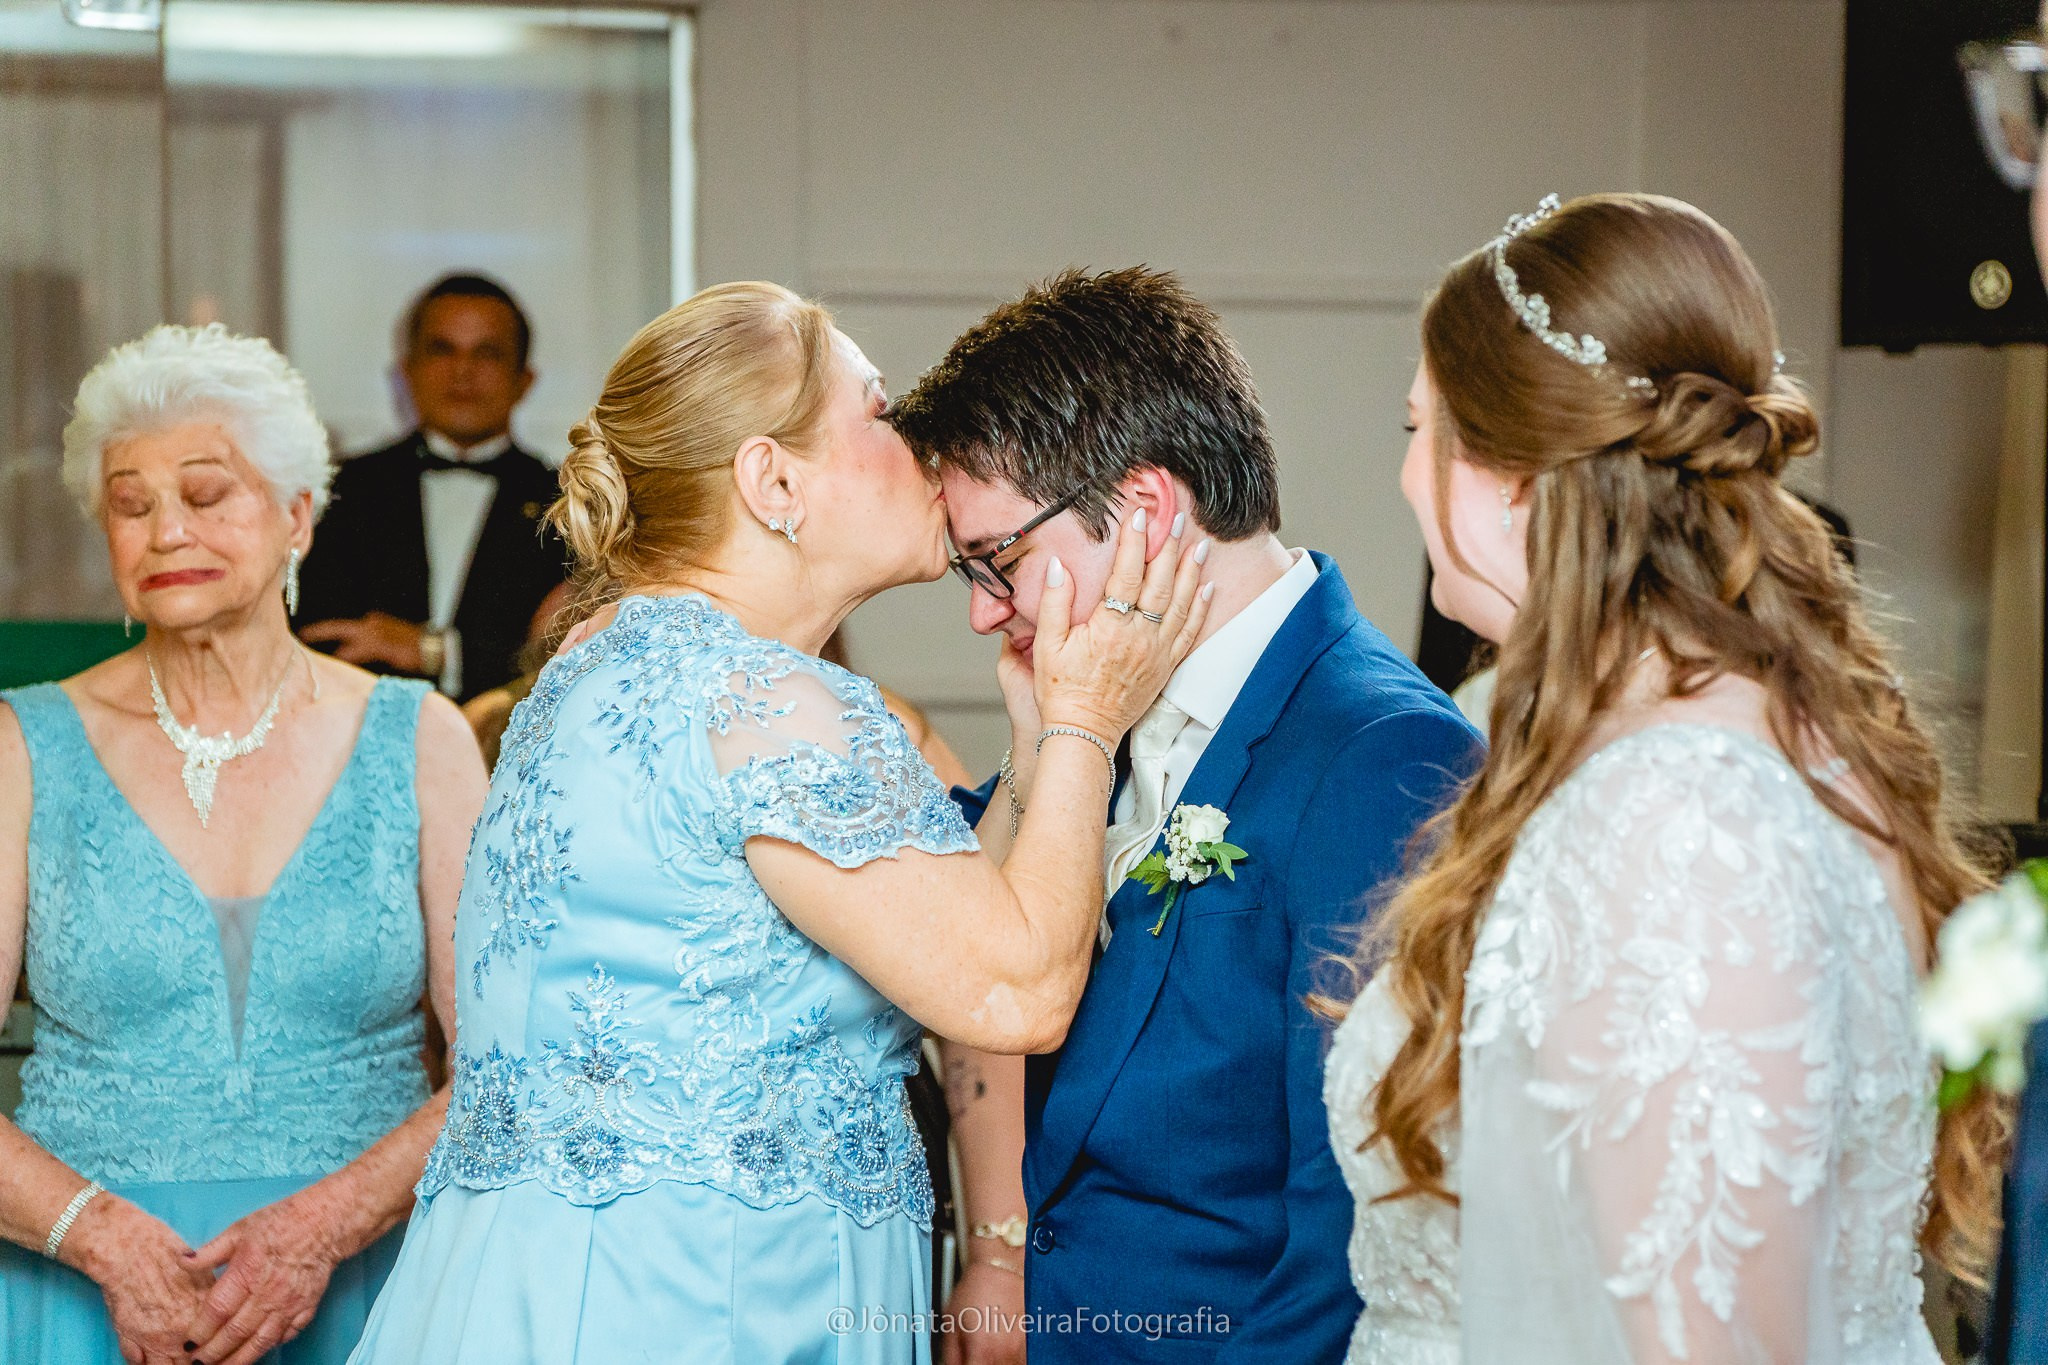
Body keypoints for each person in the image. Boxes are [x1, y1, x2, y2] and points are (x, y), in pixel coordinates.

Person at [346, 281, 1208, 1364]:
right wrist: (1090, 718)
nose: (919, 442)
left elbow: (942, 924)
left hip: (540, 1286)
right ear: (773, 480)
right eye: (880, 413)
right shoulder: (764, 703)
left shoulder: (601, 660)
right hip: (713, 1301)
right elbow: (1017, 990)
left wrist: (1037, 742)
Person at [1324, 192, 2002, 1364]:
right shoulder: (1746, 739)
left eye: (1414, 427)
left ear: (1512, 478)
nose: (1400, 478)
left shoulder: (1676, 816)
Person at [887, 266, 1482, 1364]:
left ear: (1147, 511)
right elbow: (962, 946)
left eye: (998, 562)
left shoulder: (1382, 754)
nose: (981, 612)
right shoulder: (1090, 710)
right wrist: (1043, 743)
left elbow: (1352, 1231)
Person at [0, 323, 487, 1365]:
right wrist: (104, 1241)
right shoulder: (21, 746)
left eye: (206, 493)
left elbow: (507, 1062)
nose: (166, 531)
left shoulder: (421, 739)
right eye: (131, 505)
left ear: (297, 516)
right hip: (83, 1296)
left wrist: (327, 1227)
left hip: (368, 1288)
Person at [297, 273, 566, 701]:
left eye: (487, 353)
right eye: (442, 350)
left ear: (525, 379)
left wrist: (437, 652)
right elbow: (314, 634)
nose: (462, 371)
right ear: (407, 371)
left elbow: (571, 655)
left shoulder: (568, 505)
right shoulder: (343, 490)